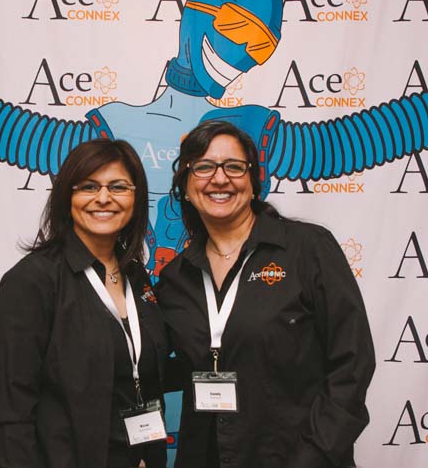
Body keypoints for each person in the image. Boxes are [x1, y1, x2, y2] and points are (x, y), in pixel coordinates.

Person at [155, 121, 376, 468]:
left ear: (253, 181)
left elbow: (353, 363)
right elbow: (154, 363)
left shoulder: (308, 249)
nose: (220, 179)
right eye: (204, 167)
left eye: (233, 166)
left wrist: (314, 455)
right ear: (185, 185)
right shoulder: (175, 278)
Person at [0, 139, 169, 468]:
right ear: (67, 197)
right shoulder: (32, 281)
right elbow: (13, 414)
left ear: (136, 198)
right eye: (88, 186)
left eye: (118, 187)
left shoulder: (135, 275)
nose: (104, 198)